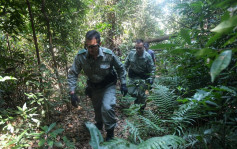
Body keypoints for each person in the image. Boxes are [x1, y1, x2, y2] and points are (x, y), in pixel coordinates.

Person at [68, 30, 128, 141]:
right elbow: (73, 73)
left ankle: (110, 132)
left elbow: (120, 68)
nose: (90, 49)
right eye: (88, 46)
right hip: (94, 87)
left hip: (108, 85)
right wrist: (72, 92)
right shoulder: (81, 56)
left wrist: (123, 83)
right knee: (97, 109)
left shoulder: (108, 54)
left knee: (107, 107)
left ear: (99, 44)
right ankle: (99, 124)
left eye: (93, 46)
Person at [124, 39, 155, 114]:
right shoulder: (131, 53)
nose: (138, 50)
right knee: (131, 92)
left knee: (142, 94)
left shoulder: (147, 56)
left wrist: (151, 79)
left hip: (143, 77)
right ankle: (137, 100)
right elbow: (125, 65)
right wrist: (122, 74)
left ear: (143, 47)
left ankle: (141, 109)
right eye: (136, 48)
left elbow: (152, 69)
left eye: (140, 48)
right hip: (133, 76)